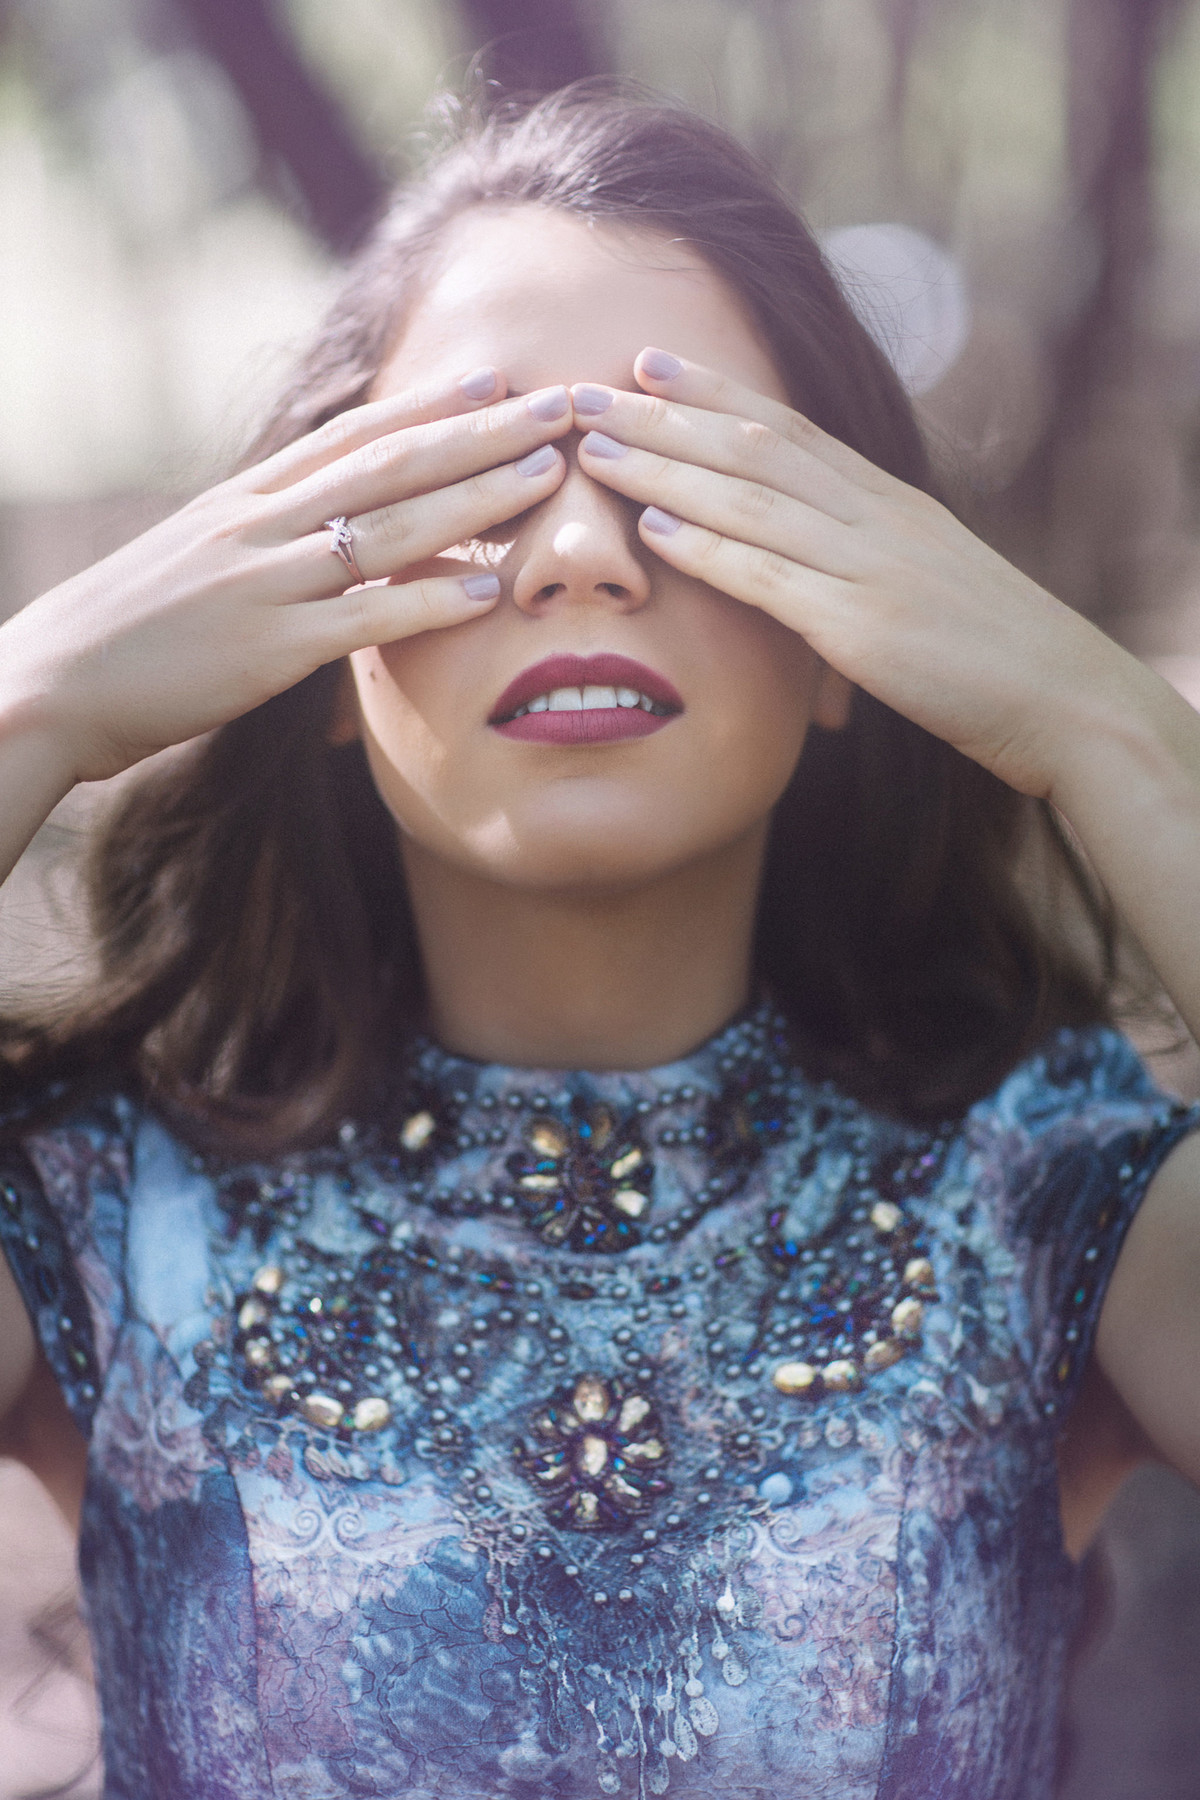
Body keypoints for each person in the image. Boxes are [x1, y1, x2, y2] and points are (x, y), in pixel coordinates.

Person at [1, 82, 1199, 1800]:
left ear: (863, 620)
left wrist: (1109, 728)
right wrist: (29, 699)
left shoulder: (1042, 1189)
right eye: (474, 484)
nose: (576, 555)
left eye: (684, 480)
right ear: (308, 640)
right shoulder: (110, 1212)